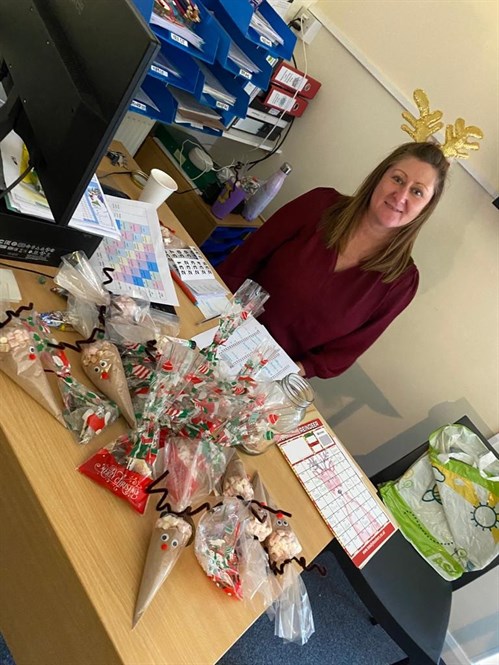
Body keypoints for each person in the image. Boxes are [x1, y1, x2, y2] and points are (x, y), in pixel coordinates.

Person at [218, 142, 450, 379]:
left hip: (270, 373)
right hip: (222, 326)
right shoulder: (319, 205)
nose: (400, 196)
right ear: (379, 178)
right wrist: (215, 317)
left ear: (426, 207)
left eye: (417, 191)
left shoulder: (401, 282)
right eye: (398, 179)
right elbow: (247, 256)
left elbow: (343, 353)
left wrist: (279, 373)